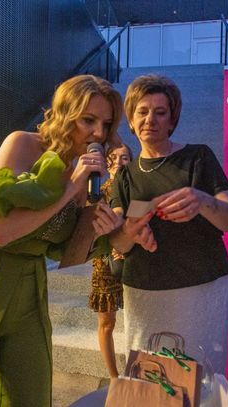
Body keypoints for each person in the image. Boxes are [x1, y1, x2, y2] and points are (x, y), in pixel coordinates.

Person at [0, 74, 123, 407]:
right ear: (66, 113)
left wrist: (102, 228)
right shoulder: (22, 144)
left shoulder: (77, 170)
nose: (99, 134)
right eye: (88, 120)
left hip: (30, 285)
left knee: (32, 393)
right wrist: (70, 189)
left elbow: (66, 255)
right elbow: (1, 232)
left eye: (105, 124)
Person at [109, 74, 228, 374]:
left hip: (201, 286)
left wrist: (201, 200)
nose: (150, 120)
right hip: (144, 291)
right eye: (142, 111)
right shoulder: (125, 175)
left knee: (201, 377)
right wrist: (132, 233)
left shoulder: (198, 157)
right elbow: (118, 242)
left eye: (160, 112)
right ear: (131, 120)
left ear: (172, 120)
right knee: (149, 378)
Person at [88, 143, 133, 378]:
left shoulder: (138, 190)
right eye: (113, 157)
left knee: (137, 321)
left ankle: (139, 369)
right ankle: (114, 377)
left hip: (135, 262)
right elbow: (88, 230)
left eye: (124, 158)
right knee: (107, 323)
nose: (118, 162)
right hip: (105, 264)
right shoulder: (97, 193)